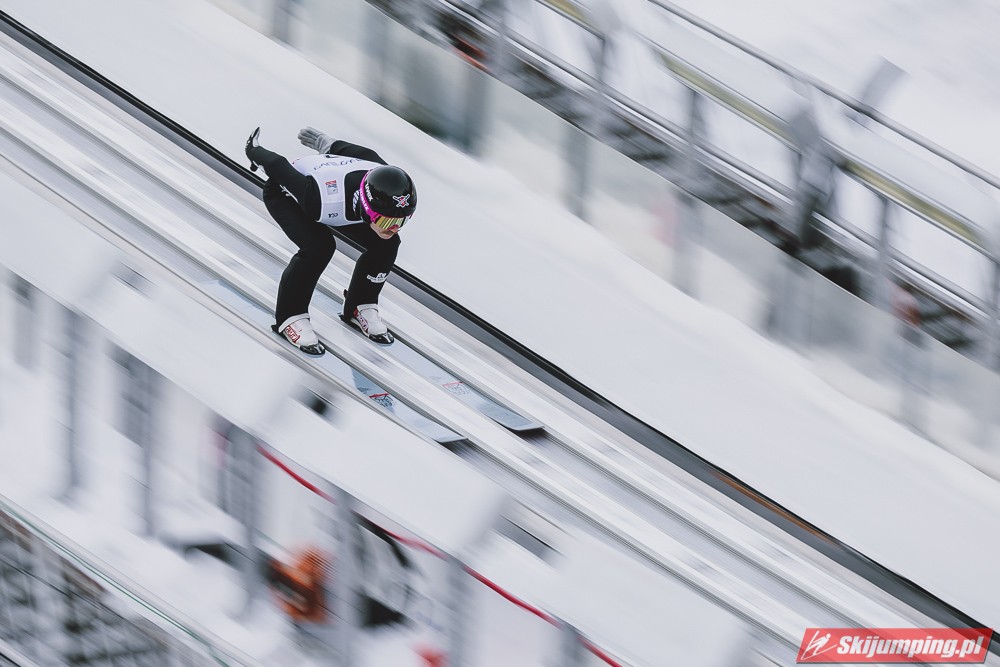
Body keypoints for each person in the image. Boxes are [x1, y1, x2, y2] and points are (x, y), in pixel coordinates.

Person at [244, 126, 417, 354]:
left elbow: (365, 154)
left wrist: (329, 145)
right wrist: (253, 150)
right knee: (319, 247)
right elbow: (278, 166)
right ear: (366, 209)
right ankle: (290, 317)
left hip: (343, 197)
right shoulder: (320, 199)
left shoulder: (383, 174)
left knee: (388, 243)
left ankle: (359, 304)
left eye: (402, 221)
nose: (394, 227)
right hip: (289, 195)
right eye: (386, 221)